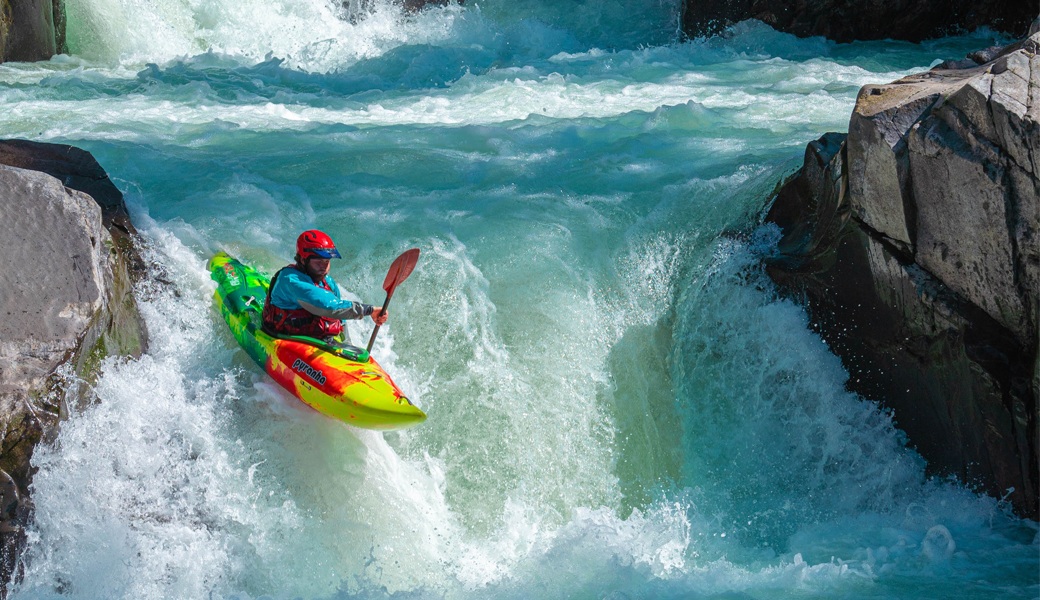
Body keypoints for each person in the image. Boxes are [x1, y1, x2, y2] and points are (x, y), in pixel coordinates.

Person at [261, 229, 387, 341]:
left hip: (316, 341)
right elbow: (329, 306)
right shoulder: (291, 280)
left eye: (327, 261)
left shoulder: (329, 283)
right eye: (319, 261)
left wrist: (347, 344)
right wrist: (369, 310)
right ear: (303, 260)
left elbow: (340, 319)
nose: (324, 266)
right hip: (284, 338)